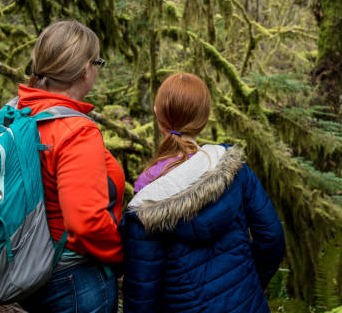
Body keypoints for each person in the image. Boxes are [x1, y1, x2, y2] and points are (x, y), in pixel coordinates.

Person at [121, 73, 286, 313]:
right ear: (205, 118)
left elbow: (141, 295)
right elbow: (271, 238)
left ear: (158, 115)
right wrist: (250, 286)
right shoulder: (234, 170)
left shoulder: (147, 199)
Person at [17, 20, 124, 313]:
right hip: (74, 281)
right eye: (97, 61)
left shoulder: (18, 112)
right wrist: (119, 254)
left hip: (29, 265)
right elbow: (85, 222)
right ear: (84, 70)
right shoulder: (75, 131)